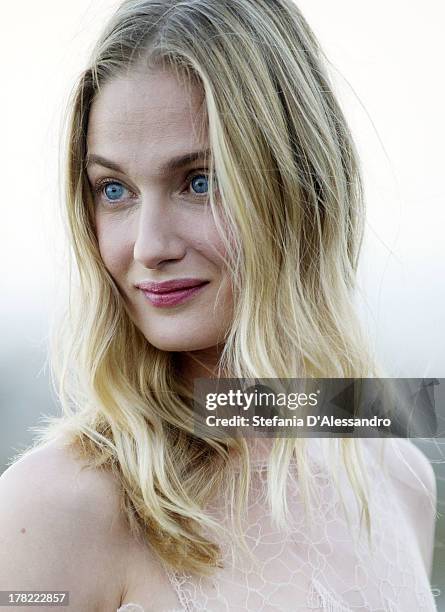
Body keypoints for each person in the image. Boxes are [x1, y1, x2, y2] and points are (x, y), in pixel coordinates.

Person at [0, 0, 438, 610]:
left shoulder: (399, 480)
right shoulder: (56, 509)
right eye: (115, 189)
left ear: (300, 189)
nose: (148, 248)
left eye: (199, 181)